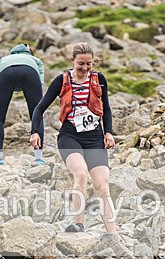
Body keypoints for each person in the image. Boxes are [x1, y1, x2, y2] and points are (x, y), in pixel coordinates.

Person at [29, 42, 117, 234]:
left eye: (88, 64)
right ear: (72, 61)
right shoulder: (61, 80)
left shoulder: (99, 79)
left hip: (95, 138)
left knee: (102, 187)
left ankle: (113, 234)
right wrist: (34, 131)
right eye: (80, 64)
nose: (84, 68)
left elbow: (107, 107)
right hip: (69, 136)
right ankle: (79, 223)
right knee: (81, 174)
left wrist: (108, 132)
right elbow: (39, 108)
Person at [0, 44, 45, 165]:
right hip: (30, 73)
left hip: (6, 73)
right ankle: (39, 158)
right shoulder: (35, 60)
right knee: (37, 115)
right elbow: (40, 82)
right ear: (28, 53)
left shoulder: (4, 59)